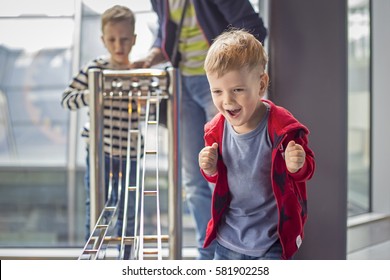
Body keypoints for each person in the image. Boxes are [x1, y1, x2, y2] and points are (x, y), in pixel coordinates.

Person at [134, 0, 268, 260]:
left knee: (233, 172)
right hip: (180, 83)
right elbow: (167, 32)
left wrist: (227, 67)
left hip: (220, 88)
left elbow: (253, 29)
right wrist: (153, 54)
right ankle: (208, 253)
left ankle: (239, 249)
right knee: (194, 178)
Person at [198, 29, 316, 260]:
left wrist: (297, 165)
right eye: (217, 91)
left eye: (237, 90)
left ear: (261, 84)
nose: (227, 100)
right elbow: (218, 178)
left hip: (272, 241)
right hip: (227, 239)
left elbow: (306, 170)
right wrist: (209, 169)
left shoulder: (282, 128)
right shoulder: (216, 130)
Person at [61, 5, 140, 259]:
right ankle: (93, 260)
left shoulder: (138, 72)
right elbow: (67, 99)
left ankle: (126, 260)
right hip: (99, 153)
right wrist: (92, 94)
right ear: (103, 40)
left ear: (134, 40)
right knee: (96, 208)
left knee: (129, 208)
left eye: (125, 39)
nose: (119, 45)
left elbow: (152, 109)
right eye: (112, 39)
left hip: (129, 153)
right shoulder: (94, 69)